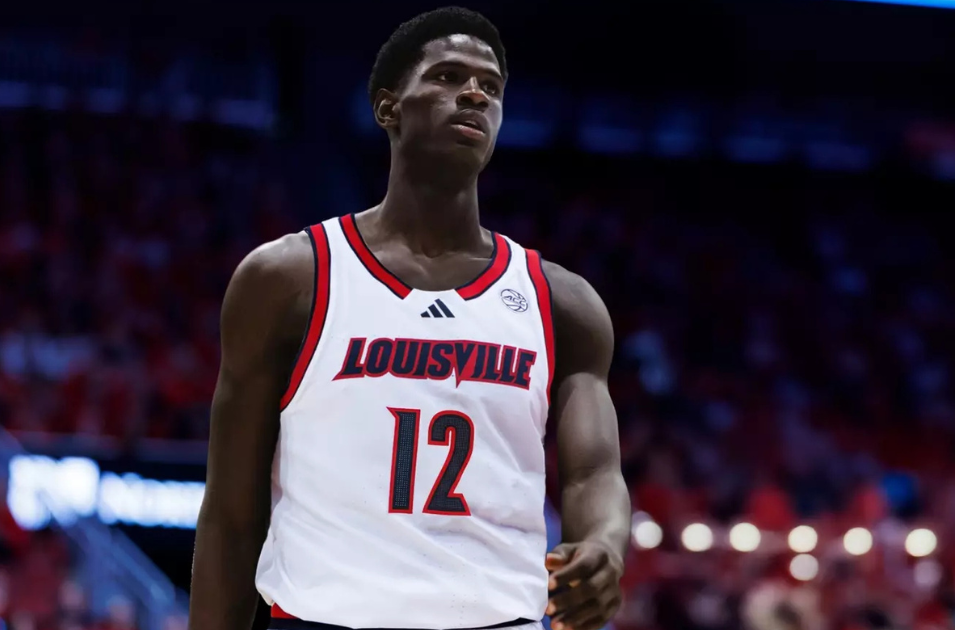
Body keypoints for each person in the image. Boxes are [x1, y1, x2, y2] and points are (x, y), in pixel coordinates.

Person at [189, 7, 630, 630]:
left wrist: (606, 542)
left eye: (492, 87)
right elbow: (231, 516)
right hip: (323, 619)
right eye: (448, 76)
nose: (475, 93)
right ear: (389, 108)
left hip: (499, 620)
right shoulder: (290, 279)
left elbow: (594, 474)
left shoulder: (563, 304)